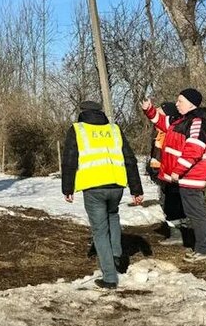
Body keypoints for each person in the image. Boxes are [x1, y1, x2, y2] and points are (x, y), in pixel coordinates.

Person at [62, 100, 145, 290]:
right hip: (116, 184)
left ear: (82, 112)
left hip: (93, 187)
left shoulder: (78, 129)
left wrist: (67, 188)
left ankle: (109, 278)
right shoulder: (114, 129)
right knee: (113, 216)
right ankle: (116, 255)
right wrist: (136, 189)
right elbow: (129, 158)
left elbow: (69, 160)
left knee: (99, 231)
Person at [142, 89, 206, 263]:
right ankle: (200, 247)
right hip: (183, 176)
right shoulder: (179, 120)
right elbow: (161, 122)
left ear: (190, 103)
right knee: (192, 211)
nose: (176, 104)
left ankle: (204, 250)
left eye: (180, 100)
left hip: (192, 176)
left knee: (196, 213)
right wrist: (149, 109)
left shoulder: (197, 122)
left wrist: (178, 170)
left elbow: (194, 150)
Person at [148, 102, 187, 246]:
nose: (156, 115)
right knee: (170, 203)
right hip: (162, 173)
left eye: (160, 112)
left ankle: (178, 233)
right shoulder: (159, 132)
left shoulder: (170, 132)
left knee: (173, 204)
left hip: (170, 174)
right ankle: (179, 231)